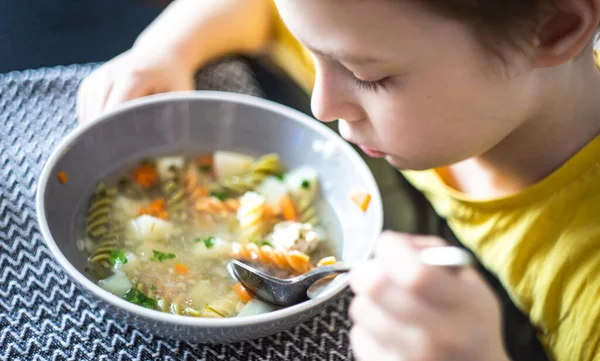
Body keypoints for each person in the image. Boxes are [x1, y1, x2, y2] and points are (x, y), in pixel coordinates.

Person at [77, 0, 600, 360]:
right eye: (312, 53)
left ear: (554, 30)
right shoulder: (371, 30)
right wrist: (165, 49)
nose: (322, 106)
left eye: (369, 76)